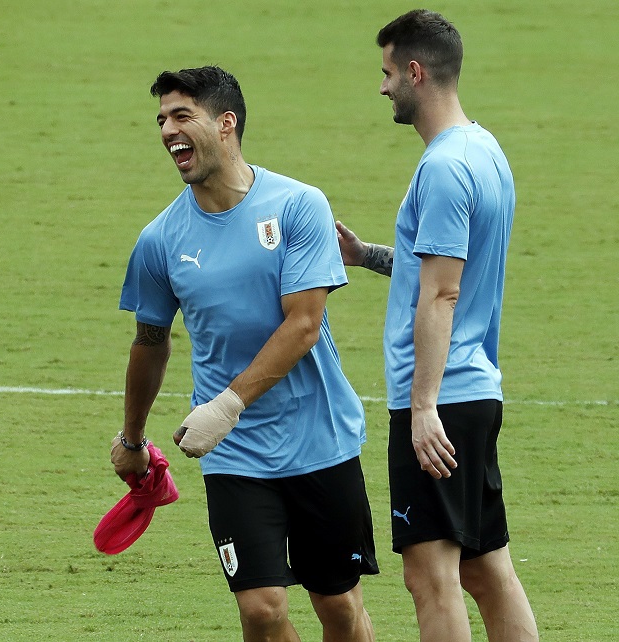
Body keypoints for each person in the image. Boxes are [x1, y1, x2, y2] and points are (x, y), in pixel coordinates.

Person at [111, 65, 377, 642]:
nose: (167, 130)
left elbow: (304, 324)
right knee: (261, 609)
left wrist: (225, 406)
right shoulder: (159, 239)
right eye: (161, 119)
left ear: (225, 123)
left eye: (182, 116)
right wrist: (132, 441)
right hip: (234, 455)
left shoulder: (298, 205)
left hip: (319, 439)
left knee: (339, 607)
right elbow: (150, 341)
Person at [335, 10, 538, 641]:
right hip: (474, 391)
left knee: (431, 577)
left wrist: (423, 406)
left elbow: (444, 292)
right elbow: (442, 266)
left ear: (416, 72)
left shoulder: (444, 168)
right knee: (486, 570)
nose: (383, 87)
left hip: (440, 400)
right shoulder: (484, 149)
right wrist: (366, 255)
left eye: (388, 72)